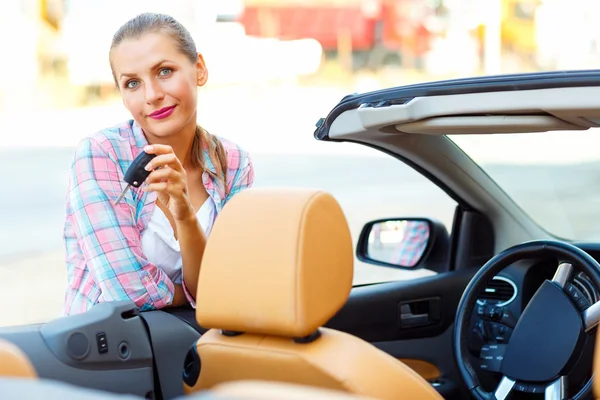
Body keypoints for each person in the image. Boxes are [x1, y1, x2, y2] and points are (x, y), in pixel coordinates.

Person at [62, 13, 254, 315]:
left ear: (199, 70)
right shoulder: (102, 154)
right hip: (111, 349)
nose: (152, 95)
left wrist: (184, 215)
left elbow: (224, 285)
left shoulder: (232, 163)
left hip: (199, 345)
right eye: (133, 83)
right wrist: (188, 295)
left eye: (164, 71)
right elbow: (126, 292)